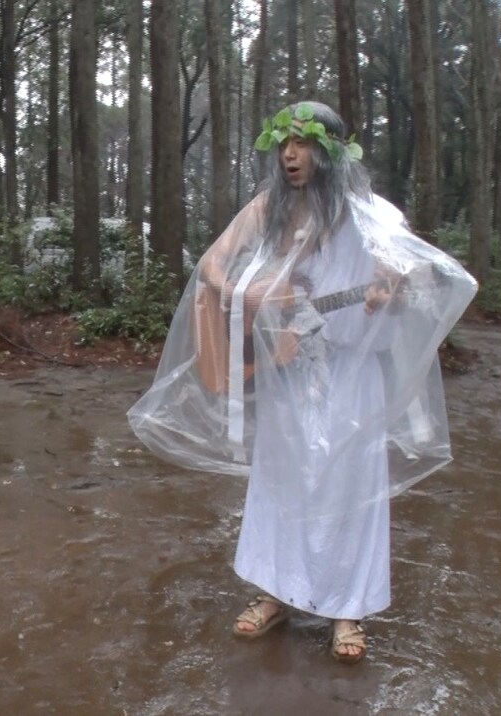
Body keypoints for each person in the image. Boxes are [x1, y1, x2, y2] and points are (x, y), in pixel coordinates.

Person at [128, 101, 476, 664]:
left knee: (350, 485)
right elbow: (214, 267)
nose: (290, 154)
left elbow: (412, 275)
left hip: (351, 369)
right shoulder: (268, 209)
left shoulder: (373, 214)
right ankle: (275, 591)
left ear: (332, 150)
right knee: (284, 480)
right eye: (283, 143)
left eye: (304, 142)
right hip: (289, 368)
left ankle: (348, 609)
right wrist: (261, 298)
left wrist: (390, 287)